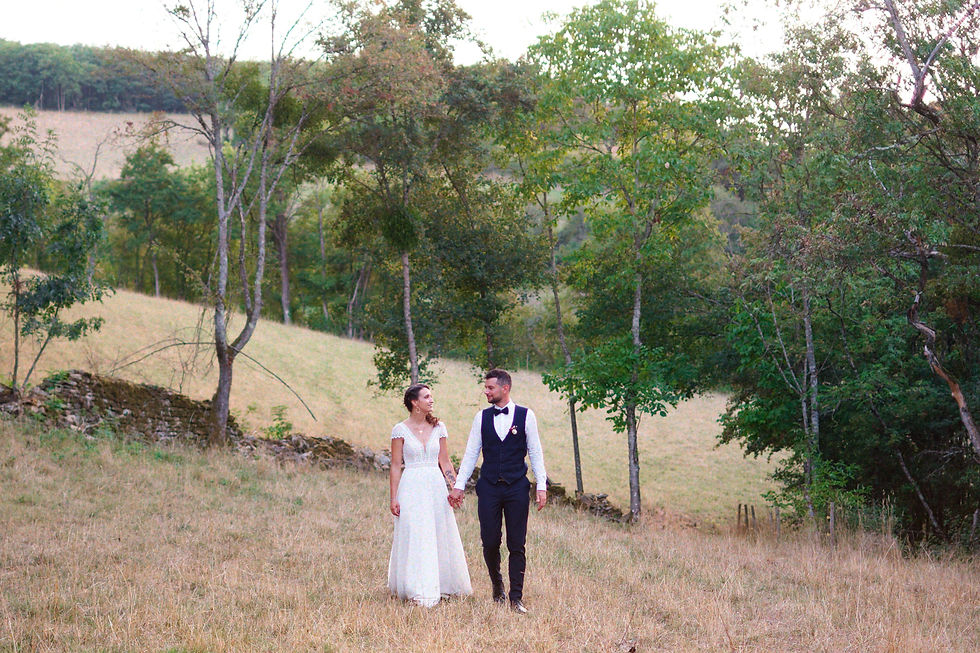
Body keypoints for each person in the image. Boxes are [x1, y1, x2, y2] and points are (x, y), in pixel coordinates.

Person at [448, 369, 547, 615]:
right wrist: (459, 485)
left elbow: (535, 451)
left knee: (517, 543)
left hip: (517, 487)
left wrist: (541, 485)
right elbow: (471, 453)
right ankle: (497, 585)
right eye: (486, 387)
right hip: (489, 486)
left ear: (505, 388)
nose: (486, 391)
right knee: (490, 542)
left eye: (490, 387)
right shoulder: (481, 417)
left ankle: (516, 598)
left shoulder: (526, 416)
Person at [387, 384, 472, 607]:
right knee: (416, 532)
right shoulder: (400, 430)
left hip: (435, 485)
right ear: (414, 402)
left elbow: (444, 460)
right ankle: (417, 588)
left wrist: (455, 486)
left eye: (431, 396)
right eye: (427, 396)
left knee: (438, 530)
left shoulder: (439, 427)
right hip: (412, 485)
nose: (431, 400)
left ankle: (442, 584)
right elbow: (396, 466)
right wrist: (393, 497)